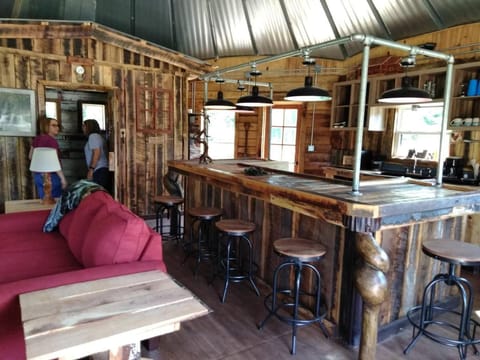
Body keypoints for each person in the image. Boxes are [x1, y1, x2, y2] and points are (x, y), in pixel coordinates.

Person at [29, 116, 68, 198]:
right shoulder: (52, 141)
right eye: (53, 125)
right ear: (46, 127)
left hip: (38, 175)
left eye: (57, 125)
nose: (57, 128)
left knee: (43, 201)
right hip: (51, 176)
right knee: (54, 203)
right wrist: (63, 178)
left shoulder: (37, 139)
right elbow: (55, 161)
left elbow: (30, 156)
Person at [82, 119, 110, 191]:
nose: (83, 128)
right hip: (102, 170)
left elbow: (97, 153)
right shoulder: (99, 137)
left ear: (89, 127)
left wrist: (91, 170)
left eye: (84, 126)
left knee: (96, 193)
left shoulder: (93, 136)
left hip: (98, 170)